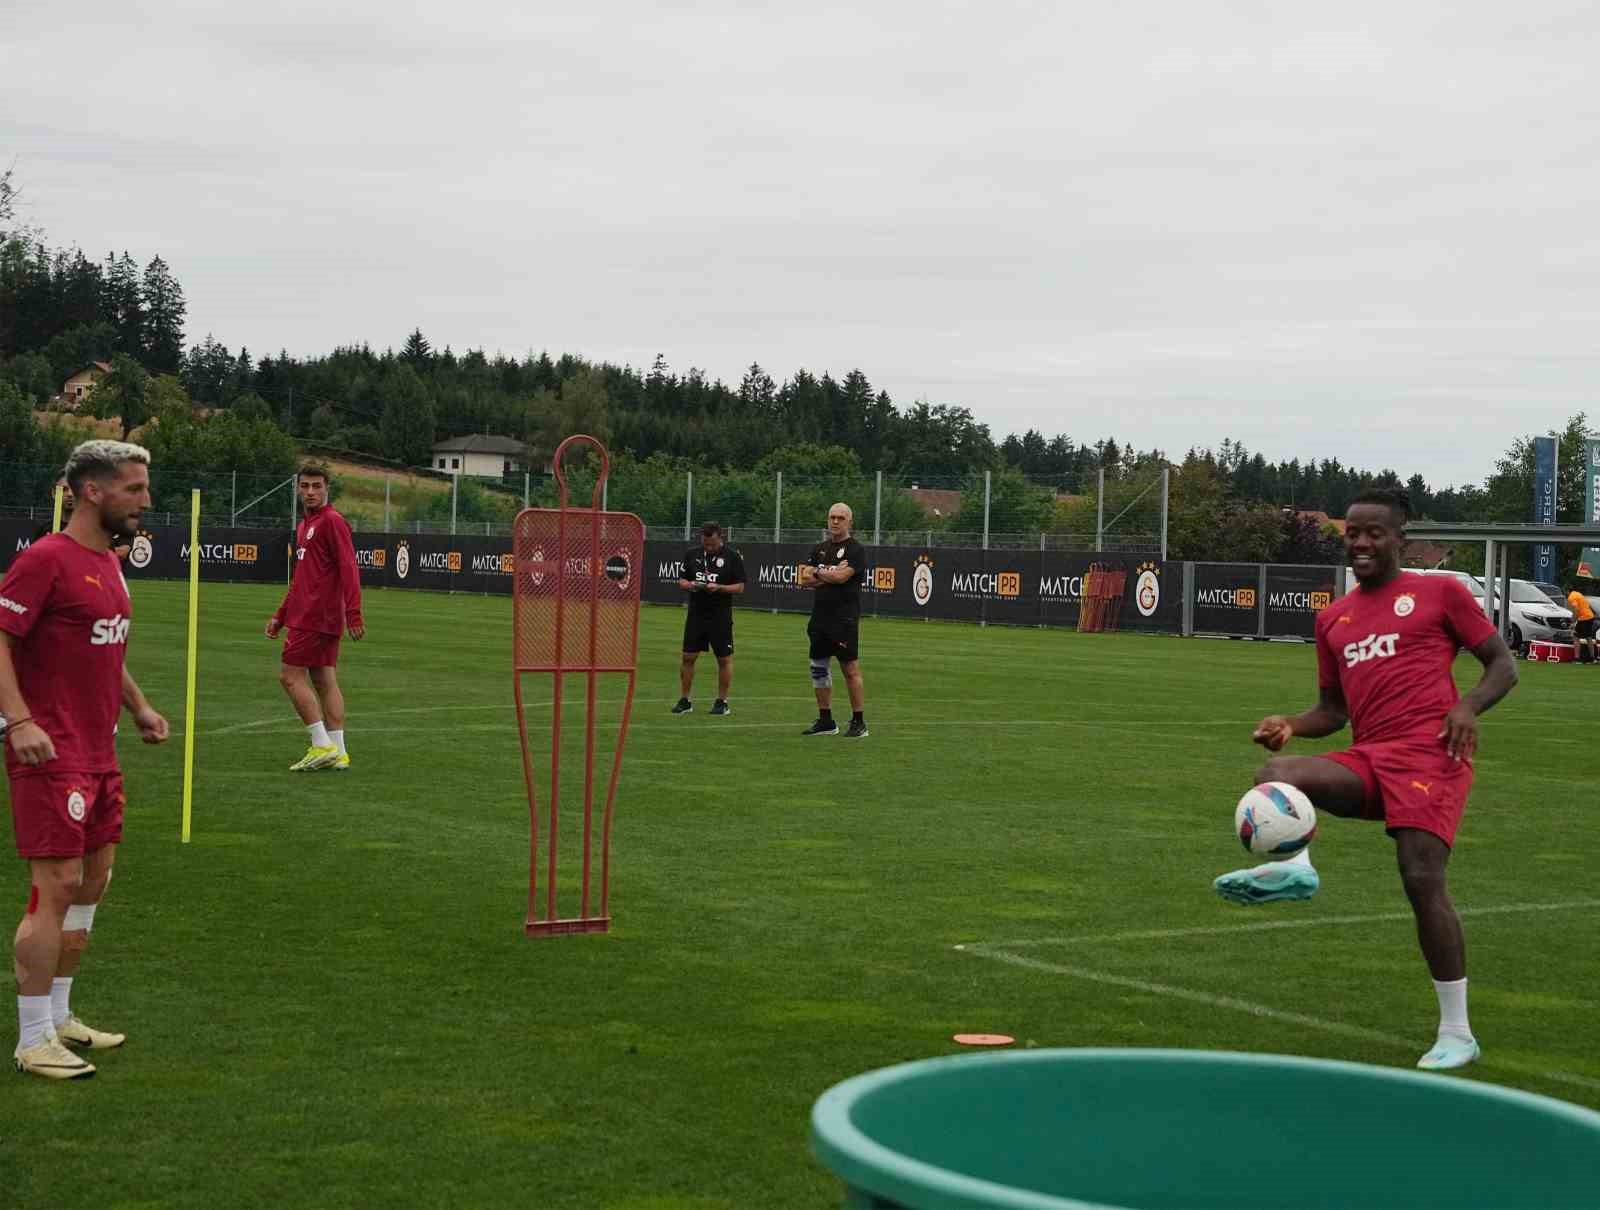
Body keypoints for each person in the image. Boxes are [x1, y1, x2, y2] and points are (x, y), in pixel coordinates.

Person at [1213, 489, 1518, 1071]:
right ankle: (1296, 870)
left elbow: (1502, 666)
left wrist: (1466, 708)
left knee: (1421, 877)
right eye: (1352, 532)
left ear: (1401, 538)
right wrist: (1290, 724)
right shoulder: (1334, 618)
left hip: (1433, 758)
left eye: (1374, 532)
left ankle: (1457, 1032)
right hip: (1370, 758)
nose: (1360, 542)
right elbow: (1333, 713)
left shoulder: (1441, 592)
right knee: (1273, 775)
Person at [1, 440, 170, 1080]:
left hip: (100, 751)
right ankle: (31, 1037)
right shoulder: (46, 559)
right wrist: (18, 721)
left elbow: (108, 646)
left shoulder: (109, 565)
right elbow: (3, 639)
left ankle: (61, 1015)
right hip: (50, 751)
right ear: (92, 491)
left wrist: (140, 707)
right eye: (134, 488)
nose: (145, 500)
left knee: (94, 880)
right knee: (57, 886)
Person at [265, 463, 364, 771]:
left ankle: (321, 744)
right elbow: (301, 579)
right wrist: (281, 615)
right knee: (323, 680)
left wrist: (354, 612)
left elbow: (349, 567)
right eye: (305, 486)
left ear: (326, 488)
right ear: (298, 489)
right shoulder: (305, 526)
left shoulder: (332, 522)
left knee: (289, 676)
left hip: (315, 616)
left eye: (316, 486)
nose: (310, 492)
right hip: (311, 615)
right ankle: (339, 752)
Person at [800, 503, 868, 738]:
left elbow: (841, 577)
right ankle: (826, 720)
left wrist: (819, 573)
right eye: (832, 517)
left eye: (841, 518)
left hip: (844, 618)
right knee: (818, 668)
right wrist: (829, 573)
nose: (835, 521)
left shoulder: (855, 550)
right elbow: (804, 579)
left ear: (850, 522)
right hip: (820, 618)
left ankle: (859, 722)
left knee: (850, 668)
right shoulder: (819, 548)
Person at [672, 522, 746, 716]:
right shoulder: (692, 554)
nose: (709, 548)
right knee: (688, 657)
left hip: (720, 615)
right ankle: (685, 699)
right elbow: (681, 580)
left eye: (712, 544)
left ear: (720, 538)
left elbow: (739, 587)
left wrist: (719, 587)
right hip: (696, 613)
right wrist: (690, 585)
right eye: (706, 544)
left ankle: (722, 701)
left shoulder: (732, 557)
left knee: (723, 658)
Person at [1566, 585, 1596, 663]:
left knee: (1575, 637)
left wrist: (1573, 622)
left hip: (1583, 618)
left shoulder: (1571, 597)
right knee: (1588, 637)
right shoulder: (1578, 594)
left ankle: (1577, 659)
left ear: (1567, 591)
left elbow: (1576, 610)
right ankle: (1592, 658)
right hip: (1590, 616)